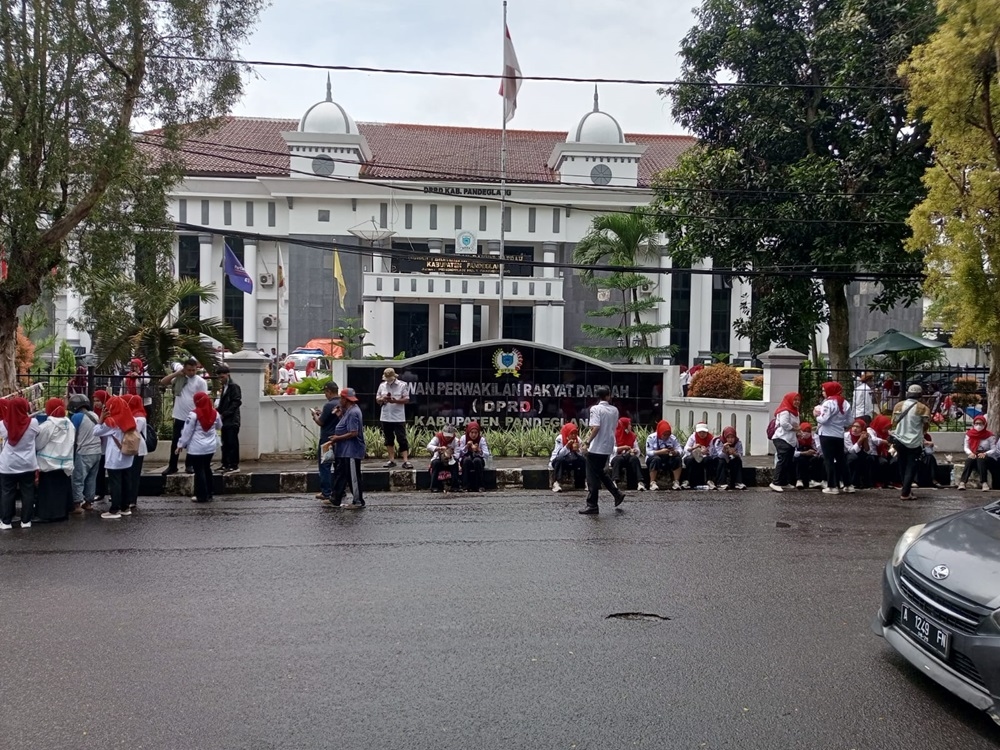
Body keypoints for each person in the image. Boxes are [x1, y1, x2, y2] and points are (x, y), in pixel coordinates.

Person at [579, 386, 626, 514]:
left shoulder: (595, 409)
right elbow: (614, 426)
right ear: (608, 396)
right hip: (608, 446)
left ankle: (592, 505)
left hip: (596, 447)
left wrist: (587, 442)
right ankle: (616, 493)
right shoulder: (614, 410)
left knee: (592, 477)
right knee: (599, 472)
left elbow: (596, 427)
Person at [160, 358, 209, 475]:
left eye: (194, 370)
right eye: (189, 370)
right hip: (179, 415)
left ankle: (189, 465)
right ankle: (172, 465)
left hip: (193, 416)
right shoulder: (179, 379)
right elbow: (163, 382)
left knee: (192, 442)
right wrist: (177, 373)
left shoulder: (200, 382)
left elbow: (204, 399)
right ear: (184, 369)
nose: (191, 372)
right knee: (176, 441)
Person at [92, 396, 135, 519]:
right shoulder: (130, 419)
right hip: (127, 455)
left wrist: (101, 418)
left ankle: (114, 509)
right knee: (126, 481)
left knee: (115, 483)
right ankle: (125, 507)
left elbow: (95, 431)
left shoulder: (111, 422)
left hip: (115, 458)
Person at [0, 397, 40, 529]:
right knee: (27, 492)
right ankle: (26, 521)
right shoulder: (33, 423)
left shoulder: (2, 425)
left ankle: (6, 522)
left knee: (7, 492)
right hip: (27, 464)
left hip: (8, 465)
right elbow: (37, 435)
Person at [34, 397, 76, 522]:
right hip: (65, 462)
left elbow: (38, 443)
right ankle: (62, 513)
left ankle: (47, 515)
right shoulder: (69, 424)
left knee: (48, 491)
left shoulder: (48, 425)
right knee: (61, 490)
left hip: (49, 462)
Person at [176, 392, 221, 503]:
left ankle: (201, 495)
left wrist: (180, 444)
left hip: (197, 447)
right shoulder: (215, 413)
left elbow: (187, 431)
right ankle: (210, 493)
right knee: (207, 468)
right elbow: (219, 426)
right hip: (210, 446)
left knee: (199, 470)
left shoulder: (193, 415)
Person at [324, 387, 366, 508]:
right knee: (341, 475)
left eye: (341, 398)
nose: (339, 401)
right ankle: (335, 498)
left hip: (351, 450)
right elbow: (346, 426)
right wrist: (339, 416)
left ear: (345, 399)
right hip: (344, 450)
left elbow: (354, 432)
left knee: (353, 477)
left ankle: (358, 501)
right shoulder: (348, 410)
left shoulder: (353, 413)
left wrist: (337, 438)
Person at [891, 384, 932, 501]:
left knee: (902, 466)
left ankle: (907, 490)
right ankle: (905, 493)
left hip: (899, 440)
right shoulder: (923, 408)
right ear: (920, 395)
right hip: (914, 442)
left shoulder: (899, 405)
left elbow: (893, 421)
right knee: (911, 467)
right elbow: (926, 424)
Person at [68, 394, 102, 513]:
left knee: (78, 478)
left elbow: (72, 434)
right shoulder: (95, 415)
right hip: (97, 451)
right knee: (91, 478)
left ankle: (77, 504)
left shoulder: (77, 417)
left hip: (84, 452)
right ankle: (89, 502)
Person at [817, 382, 852, 495]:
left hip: (826, 434)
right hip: (839, 435)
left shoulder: (828, 403)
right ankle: (848, 484)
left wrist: (816, 415)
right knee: (841, 460)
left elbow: (823, 420)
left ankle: (832, 486)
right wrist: (840, 423)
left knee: (829, 460)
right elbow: (850, 421)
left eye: (824, 390)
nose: (823, 393)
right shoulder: (845, 403)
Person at [377, 367, 413, 469]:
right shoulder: (382, 385)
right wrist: (383, 399)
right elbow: (377, 399)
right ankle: (391, 460)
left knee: (402, 438)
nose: (388, 380)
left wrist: (395, 401)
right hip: (385, 416)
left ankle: (406, 461)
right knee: (389, 439)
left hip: (398, 417)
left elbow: (406, 399)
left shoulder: (402, 385)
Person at [311, 381, 340, 501]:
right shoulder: (341, 403)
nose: (325, 395)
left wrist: (315, 416)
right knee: (338, 466)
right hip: (339, 438)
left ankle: (326, 492)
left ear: (329, 391)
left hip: (327, 439)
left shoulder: (329, 405)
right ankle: (339, 490)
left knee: (325, 466)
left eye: (325, 392)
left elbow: (321, 422)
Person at [770, 392, 800, 492]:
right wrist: (794, 429)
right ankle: (775, 482)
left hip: (790, 440)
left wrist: (797, 431)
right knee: (782, 460)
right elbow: (784, 424)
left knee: (788, 461)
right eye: (795, 400)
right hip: (781, 438)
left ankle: (783, 482)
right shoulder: (785, 411)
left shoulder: (795, 411)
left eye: (798, 400)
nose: (797, 402)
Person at [215, 365, 242, 474]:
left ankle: (233, 464)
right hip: (225, 420)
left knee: (232, 443)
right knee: (225, 443)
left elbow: (236, 402)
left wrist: (224, 414)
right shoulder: (225, 387)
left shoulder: (233, 386)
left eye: (223, 377)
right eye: (220, 377)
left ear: (227, 375)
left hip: (231, 420)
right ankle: (225, 463)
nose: (221, 379)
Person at [124, 395, 149, 511]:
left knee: (133, 474)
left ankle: (131, 499)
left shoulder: (139, 417)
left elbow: (133, 431)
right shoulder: (135, 415)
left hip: (137, 448)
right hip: (133, 447)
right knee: (129, 473)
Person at [958, 414, 994, 491]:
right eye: (976, 423)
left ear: (984, 424)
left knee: (981, 459)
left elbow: (993, 449)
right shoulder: (969, 434)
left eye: (980, 423)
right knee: (969, 460)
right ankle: (962, 482)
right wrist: (970, 453)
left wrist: (985, 453)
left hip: (986, 455)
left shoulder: (989, 435)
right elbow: (966, 447)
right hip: (973, 453)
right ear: (973, 424)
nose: (978, 425)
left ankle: (984, 483)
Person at [645, 420, 683, 491]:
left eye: (668, 435)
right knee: (656, 459)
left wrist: (675, 452)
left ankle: (676, 482)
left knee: (677, 459)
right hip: (655, 458)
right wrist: (660, 452)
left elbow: (680, 450)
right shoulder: (651, 438)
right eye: (664, 435)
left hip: (668, 458)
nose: (666, 437)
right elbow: (648, 452)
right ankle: (652, 482)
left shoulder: (673, 438)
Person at [610, 417, 645, 491]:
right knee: (618, 459)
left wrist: (635, 451)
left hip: (628, 457)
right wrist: (622, 448)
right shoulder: (614, 435)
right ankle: (614, 481)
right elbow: (611, 449)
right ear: (624, 425)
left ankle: (640, 482)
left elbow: (637, 449)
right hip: (617, 456)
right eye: (629, 424)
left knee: (634, 459)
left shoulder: (632, 436)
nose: (631, 426)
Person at [549, 423, 586, 493]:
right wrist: (567, 446)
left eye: (575, 434)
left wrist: (578, 450)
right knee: (560, 460)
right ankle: (557, 482)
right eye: (571, 434)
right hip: (560, 460)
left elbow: (581, 455)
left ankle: (582, 482)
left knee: (583, 460)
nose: (574, 436)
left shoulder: (578, 440)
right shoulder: (560, 438)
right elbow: (559, 455)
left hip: (572, 459)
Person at [456, 421, 490, 492]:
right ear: (468, 432)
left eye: (476, 433)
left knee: (477, 461)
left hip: (478, 460)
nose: (474, 435)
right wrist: (466, 447)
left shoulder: (481, 440)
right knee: (466, 460)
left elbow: (486, 454)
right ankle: (465, 486)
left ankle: (480, 486)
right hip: (466, 460)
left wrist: (479, 450)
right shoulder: (464, 438)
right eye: (472, 433)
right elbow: (459, 453)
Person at [427, 425, 460, 493]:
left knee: (455, 464)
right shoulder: (438, 438)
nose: (447, 438)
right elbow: (429, 446)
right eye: (446, 436)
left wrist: (450, 455)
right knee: (435, 463)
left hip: (450, 460)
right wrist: (439, 448)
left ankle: (455, 486)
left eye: (449, 436)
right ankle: (434, 486)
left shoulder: (456, 441)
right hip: (439, 458)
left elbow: (457, 454)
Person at [711, 426, 746, 490]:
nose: (730, 439)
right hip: (718, 460)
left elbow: (740, 454)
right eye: (728, 437)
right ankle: (721, 483)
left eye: (732, 437)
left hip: (730, 459)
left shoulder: (738, 442)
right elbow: (719, 455)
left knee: (737, 460)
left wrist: (734, 453)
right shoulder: (719, 441)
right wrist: (724, 450)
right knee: (722, 461)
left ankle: (738, 482)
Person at [844, 418, 874, 492]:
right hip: (849, 454)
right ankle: (853, 482)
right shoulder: (847, 435)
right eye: (854, 426)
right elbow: (851, 450)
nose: (855, 429)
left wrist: (865, 440)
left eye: (858, 427)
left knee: (869, 458)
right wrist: (860, 440)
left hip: (861, 453)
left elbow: (868, 451)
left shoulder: (866, 435)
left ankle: (867, 483)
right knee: (854, 458)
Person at [683, 423, 716, 490]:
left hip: (704, 457)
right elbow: (686, 449)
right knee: (689, 460)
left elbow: (713, 452)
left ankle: (709, 481)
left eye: (704, 432)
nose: (702, 434)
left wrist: (707, 451)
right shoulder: (693, 437)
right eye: (700, 432)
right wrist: (693, 448)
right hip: (694, 456)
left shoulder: (711, 439)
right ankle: (687, 481)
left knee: (709, 460)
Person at [793, 423, 824, 489]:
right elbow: (793, 453)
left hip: (810, 456)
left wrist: (815, 452)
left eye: (808, 431)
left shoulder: (813, 439)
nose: (806, 433)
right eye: (804, 431)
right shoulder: (795, 439)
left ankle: (813, 480)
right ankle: (799, 480)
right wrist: (804, 453)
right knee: (800, 459)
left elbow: (818, 449)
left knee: (816, 459)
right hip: (800, 455)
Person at [868, 414, 895, 488]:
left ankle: (891, 481)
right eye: (885, 427)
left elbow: (893, 436)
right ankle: (877, 482)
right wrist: (885, 441)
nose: (886, 430)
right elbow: (874, 440)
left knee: (894, 461)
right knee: (882, 462)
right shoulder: (870, 430)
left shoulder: (886, 432)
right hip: (872, 453)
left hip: (883, 453)